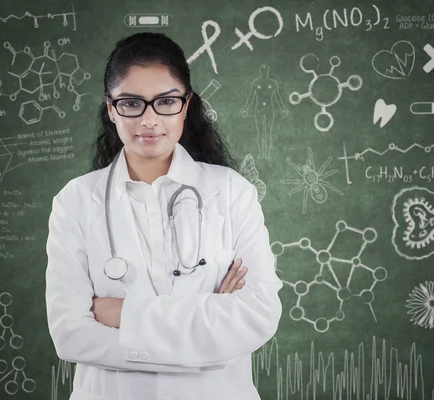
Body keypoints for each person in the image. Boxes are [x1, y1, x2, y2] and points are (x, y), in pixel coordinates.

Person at [45, 32, 283, 400]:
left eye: (166, 101)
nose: (149, 119)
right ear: (110, 109)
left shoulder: (233, 192)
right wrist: (207, 331)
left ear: (186, 105)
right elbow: (70, 336)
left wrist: (124, 315)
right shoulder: (75, 201)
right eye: (131, 103)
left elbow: (257, 317)